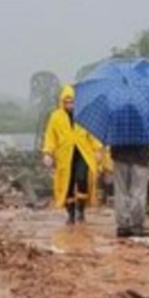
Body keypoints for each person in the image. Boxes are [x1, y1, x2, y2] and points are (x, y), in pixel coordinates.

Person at [42, 85, 101, 225]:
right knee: (67, 184)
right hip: (64, 155)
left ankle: (81, 210)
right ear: (62, 101)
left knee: (82, 179)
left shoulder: (84, 115)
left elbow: (92, 134)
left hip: (83, 153)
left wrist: (97, 150)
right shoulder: (55, 117)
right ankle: (70, 214)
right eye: (67, 102)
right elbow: (50, 136)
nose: (70, 105)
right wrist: (48, 153)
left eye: (72, 102)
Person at [112, 144, 149, 238]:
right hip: (140, 157)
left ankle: (123, 226)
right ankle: (136, 225)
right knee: (138, 192)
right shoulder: (143, 129)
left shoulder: (117, 129)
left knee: (120, 192)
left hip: (119, 156)